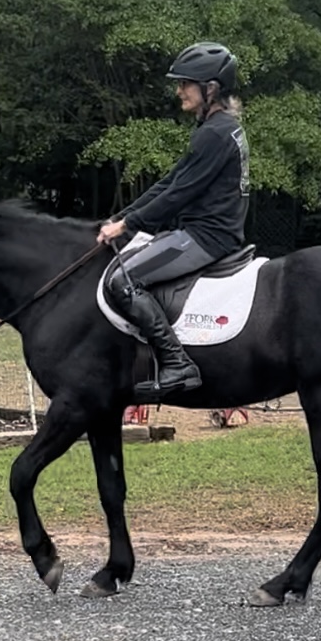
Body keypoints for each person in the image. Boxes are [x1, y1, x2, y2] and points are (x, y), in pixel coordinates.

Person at [97, 41, 250, 400]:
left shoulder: (214, 134)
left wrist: (129, 225)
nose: (179, 90)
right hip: (205, 232)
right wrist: (122, 217)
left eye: (186, 83)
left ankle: (176, 363)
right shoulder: (216, 129)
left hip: (206, 237)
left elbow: (179, 196)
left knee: (124, 281)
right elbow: (170, 183)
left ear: (210, 88)